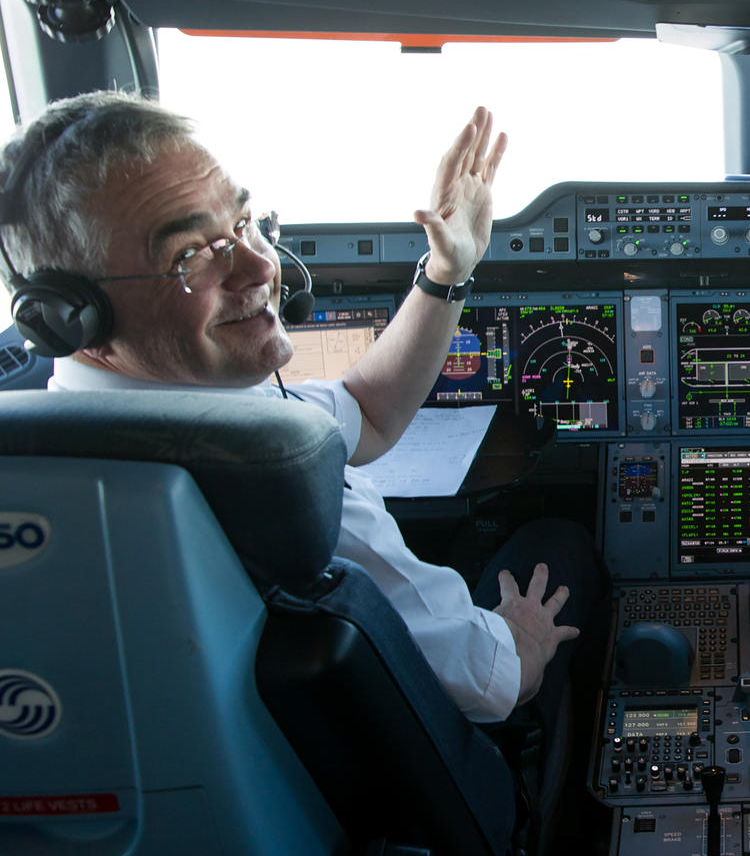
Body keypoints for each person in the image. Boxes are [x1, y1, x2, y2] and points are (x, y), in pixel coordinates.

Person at [0, 90, 605, 737]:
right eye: (190, 256)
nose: (261, 266)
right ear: (74, 318)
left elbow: (366, 416)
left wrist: (446, 272)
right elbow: (496, 681)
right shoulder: (275, 484)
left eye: (243, 223)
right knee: (556, 546)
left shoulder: (44, 459)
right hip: (393, 803)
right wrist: (522, 636)